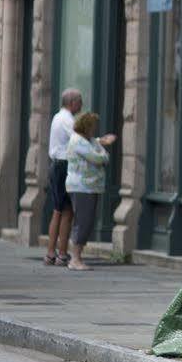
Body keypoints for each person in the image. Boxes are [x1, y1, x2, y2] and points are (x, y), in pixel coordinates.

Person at [63, 111, 115, 271]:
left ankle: (77, 257)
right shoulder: (78, 141)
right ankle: (75, 258)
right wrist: (103, 152)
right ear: (86, 126)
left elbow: (96, 145)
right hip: (82, 187)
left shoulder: (88, 140)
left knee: (86, 221)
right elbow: (99, 157)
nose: (94, 129)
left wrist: (100, 143)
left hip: (89, 187)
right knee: (83, 221)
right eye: (93, 126)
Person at [45, 88, 82, 266]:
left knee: (62, 209)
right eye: (79, 101)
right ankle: (57, 253)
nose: (81, 105)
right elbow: (79, 139)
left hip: (57, 165)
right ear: (72, 102)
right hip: (63, 166)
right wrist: (100, 142)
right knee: (63, 211)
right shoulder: (67, 119)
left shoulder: (57, 116)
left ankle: (55, 253)